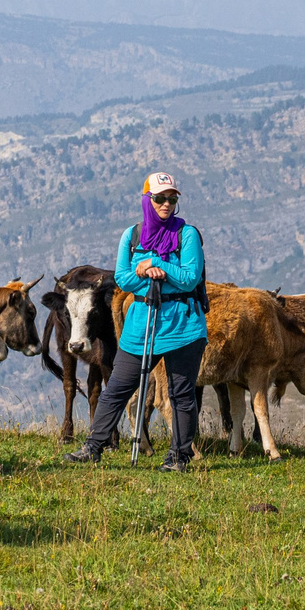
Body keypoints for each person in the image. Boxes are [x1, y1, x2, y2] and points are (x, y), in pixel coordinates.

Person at [68, 172, 208, 472]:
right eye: (159, 198)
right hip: (141, 324)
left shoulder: (188, 235)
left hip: (183, 326)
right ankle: (94, 445)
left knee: (181, 393)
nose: (166, 204)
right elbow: (123, 278)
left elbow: (189, 278)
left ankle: (178, 457)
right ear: (148, 200)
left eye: (172, 199)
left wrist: (157, 264)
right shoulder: (131, 236)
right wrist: (143, 273)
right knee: (119, 385)